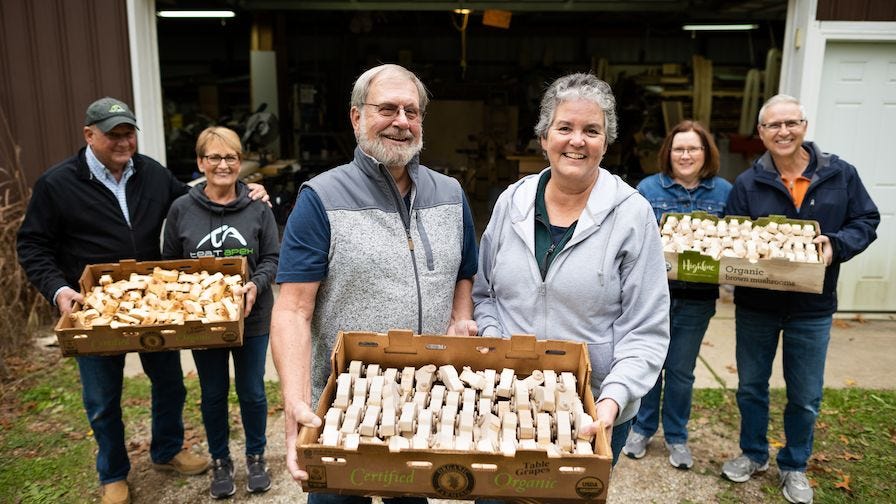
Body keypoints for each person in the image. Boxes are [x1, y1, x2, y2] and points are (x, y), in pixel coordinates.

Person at [16, 97, 268, 504]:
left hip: (155, 304)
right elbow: (32, 245)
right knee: (102, 399)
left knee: (169, 384)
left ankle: (167, 451)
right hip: (96, 305)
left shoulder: (150, 173)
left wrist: (245, 190)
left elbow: (197, 200)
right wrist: (59, 290)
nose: (123, 142)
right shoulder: (57, 183)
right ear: (89, 135)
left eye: (128, 133)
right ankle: (113, 473)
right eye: (113, 134)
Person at [270, 63, 478, 504]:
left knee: (412, 497)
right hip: (345, 399)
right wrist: (295, 399)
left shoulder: (451, 194)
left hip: (423, 396)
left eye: (412, 111)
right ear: (356, 117)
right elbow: (292, 309)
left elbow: (464, 270)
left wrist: (461, 317)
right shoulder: (320, 199)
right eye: (387, 108)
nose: (401, 122)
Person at [472, 73, 671, 466]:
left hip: (591, 408)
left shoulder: (632, 215)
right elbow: (485, 294)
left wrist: (613, 398)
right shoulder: (512, 202)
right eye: (564, 128)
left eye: (591, 130)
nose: (577, 140)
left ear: (605, 142)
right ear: (544, 137)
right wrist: (497, 347)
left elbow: (645, 326)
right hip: (509, 399)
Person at [720, 94, 879, 504]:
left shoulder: (840, 174)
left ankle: (794, 465)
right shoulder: (748, 183)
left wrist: (837, 245)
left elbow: (866, 219)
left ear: (804, 126)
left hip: (812, 305)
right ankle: (753, 453)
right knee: (752, 387)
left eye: (791, 123)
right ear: (761, 133)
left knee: (805, 395)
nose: (783, 132)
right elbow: (730, 233)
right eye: (773, 126)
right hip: (757, 304)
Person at [162, 127, 280, 499]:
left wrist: (255, 286)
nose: (224, 164)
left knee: (252, 392)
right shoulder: (182, 209)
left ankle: (256, 456)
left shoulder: (259, 206)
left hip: (253, 318)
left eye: (231, 157)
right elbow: (170, 265)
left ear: (240, 162)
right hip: (205, 323)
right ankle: (219, 460)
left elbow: (273, 258)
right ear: (201, 163)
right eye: (214, 157)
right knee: (212, 393)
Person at [624, 120, 732, 469]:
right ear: (668, 153)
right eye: (679, 148)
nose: (685, 155)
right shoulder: (648, 188)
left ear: (706, 153)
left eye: (693, 148)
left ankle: (676, 435)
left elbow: (737, 242)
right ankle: (642, 429)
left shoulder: (724, 193)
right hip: (653, 297)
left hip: (697, 299)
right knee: (649, 366)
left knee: (682, 371)